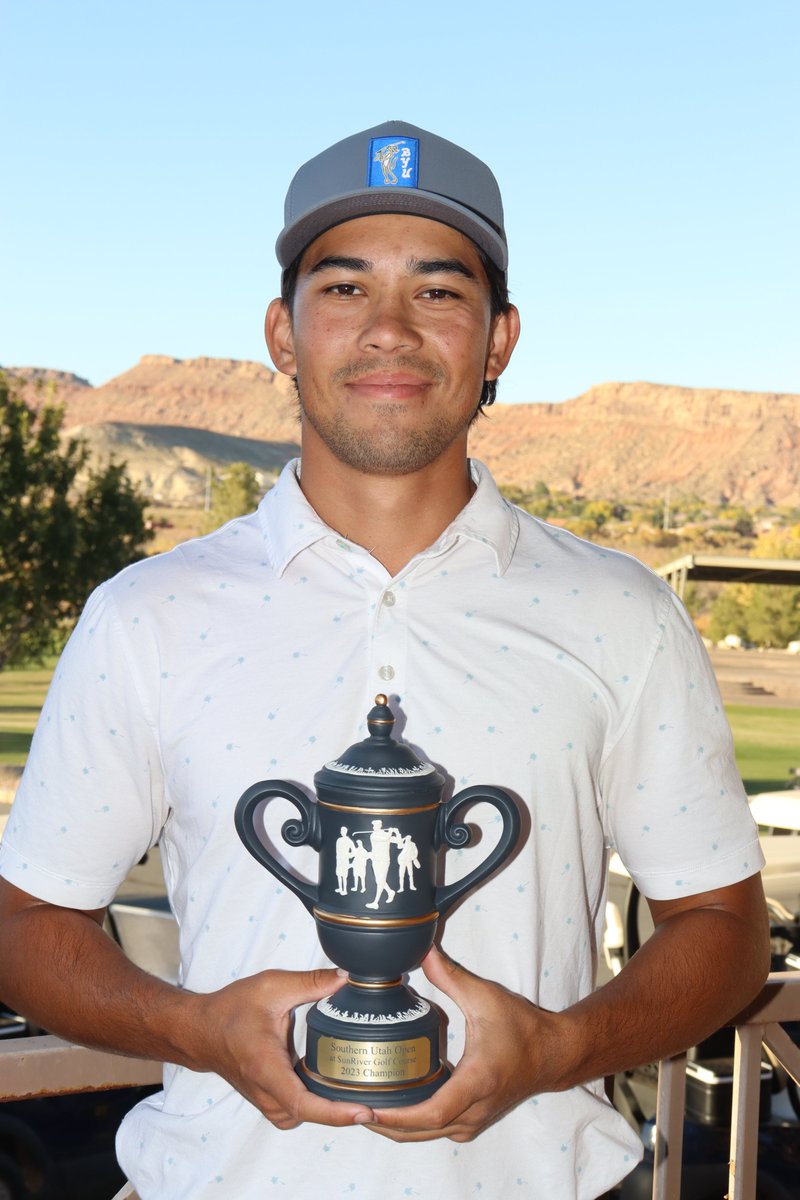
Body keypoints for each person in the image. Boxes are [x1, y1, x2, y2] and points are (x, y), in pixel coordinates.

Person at [0, 120, 769, 1200]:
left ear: (498, 340)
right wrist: (196, 1027)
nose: (391, 331)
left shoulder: (621, 611)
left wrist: (557, 1049)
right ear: (283, 330)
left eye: (439, 292)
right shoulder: (147, 614)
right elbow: (28, 921)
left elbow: (722, 928)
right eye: (346, 288)